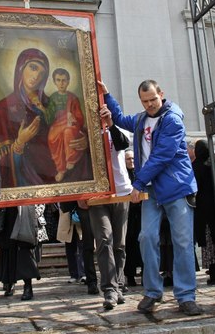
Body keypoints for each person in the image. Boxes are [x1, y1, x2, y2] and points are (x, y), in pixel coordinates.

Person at [98, 79, 203, 316]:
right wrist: (107, 96)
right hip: (152, 190)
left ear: (161, 94)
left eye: (153, 99)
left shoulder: (173, 120)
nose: (149, 105)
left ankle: (186, 296)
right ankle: (153, 292)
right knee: (146, 238)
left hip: (177, 187)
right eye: (145, 101)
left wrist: (137, 183)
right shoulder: (142, 119)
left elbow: (161, 156)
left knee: (183, 242)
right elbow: (121, 119)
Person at [0, 48, 90, 188]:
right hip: (27, 180)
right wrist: (19, 143)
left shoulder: (51, 103)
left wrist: (83, 139)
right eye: (33, 68)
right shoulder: (1, 109)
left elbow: (71, 126)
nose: (36, 76)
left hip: (59, 178)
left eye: (42, 73)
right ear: (20, 68)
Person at [87, 105, 133, 309]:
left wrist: (110, 124)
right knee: (104, 239)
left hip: (121, 191)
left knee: (119, 243)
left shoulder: (119, 129)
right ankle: (109, 289)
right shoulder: (86, 133)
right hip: (97, 194)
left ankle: (119, 285)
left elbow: (123, 144)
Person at [0, 204, 49, 300]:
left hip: (26, 210)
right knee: (8, 247)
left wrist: (37, 210)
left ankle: (28, 286)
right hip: (8, 210)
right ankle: (9, 282)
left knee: (25, 248)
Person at [45, 68, 85, 182]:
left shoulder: (73, 97)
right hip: (58, 124)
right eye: (58, 80)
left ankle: (71, 159)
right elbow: (50, 116)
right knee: (52, 138)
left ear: (68, 81)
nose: (61, 83)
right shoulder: (53, 97)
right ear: (54, 82)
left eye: (64, 80)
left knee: (68, 132)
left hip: (70, 124)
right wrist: (45, 111)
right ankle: (60, 168)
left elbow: (80, 117)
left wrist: (74, 118)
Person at [192, 140, 215, 285]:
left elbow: (194, 187)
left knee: (209, 242)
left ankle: (214, 273)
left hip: (203, 209)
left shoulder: (197, 166)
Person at [123, 149, 142, 287]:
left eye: (133, 158)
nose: (131, 161)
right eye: (128, 159)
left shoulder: (139, 174)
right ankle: (130, 275)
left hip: (140, 213)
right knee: (129, 245)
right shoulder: (123, 176)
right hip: (128, 215)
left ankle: (145, 273)